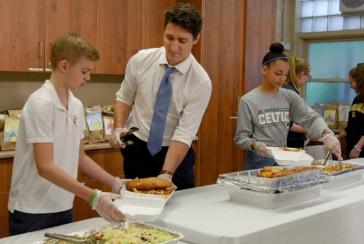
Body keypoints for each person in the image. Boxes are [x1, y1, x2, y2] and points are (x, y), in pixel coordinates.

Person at [8, 33, 126, 235]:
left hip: (63, 205)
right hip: (32, 210)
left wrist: (114, 182)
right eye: (84, 71)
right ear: (64, 66)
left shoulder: (76, 106)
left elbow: (80, 157)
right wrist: (94, 197)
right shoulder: (41, 103)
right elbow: (45, 166)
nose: (88, 78)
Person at [110, 3, 211, 190]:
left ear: (196, 39)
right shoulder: (140, 60)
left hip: (174, 152)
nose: (173, 47)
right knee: (136, 207)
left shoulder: (200, 82)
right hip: (137, 147)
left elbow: (184, 133)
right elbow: (124, 98)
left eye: (182, 41)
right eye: (169, 37)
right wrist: (118, 128)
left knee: (177, 209)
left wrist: (167, 173)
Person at [234, 43, 342, 170]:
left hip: (283, 162)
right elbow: (241, 138)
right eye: (278, 73)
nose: (282, 79)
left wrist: (327, 134)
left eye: (286, 75)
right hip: (258, 164)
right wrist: (255, 146)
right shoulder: (248, 101)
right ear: (264, 70)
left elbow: (310, 117)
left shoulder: (289, 96)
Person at [283, 57, 311, 148]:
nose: (307, 80)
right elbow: (285, 122)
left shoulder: (289, 90)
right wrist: (307, 129)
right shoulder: (289, 92)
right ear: (302, 74)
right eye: (308, 76)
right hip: (290, 142)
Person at [346, 63, 364, 159]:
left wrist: (358, 148)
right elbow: (352, 125)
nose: (351, 86)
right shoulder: (357, 100)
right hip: (352, 149)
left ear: (360, 82)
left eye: (351, 83)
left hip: (360, 150)